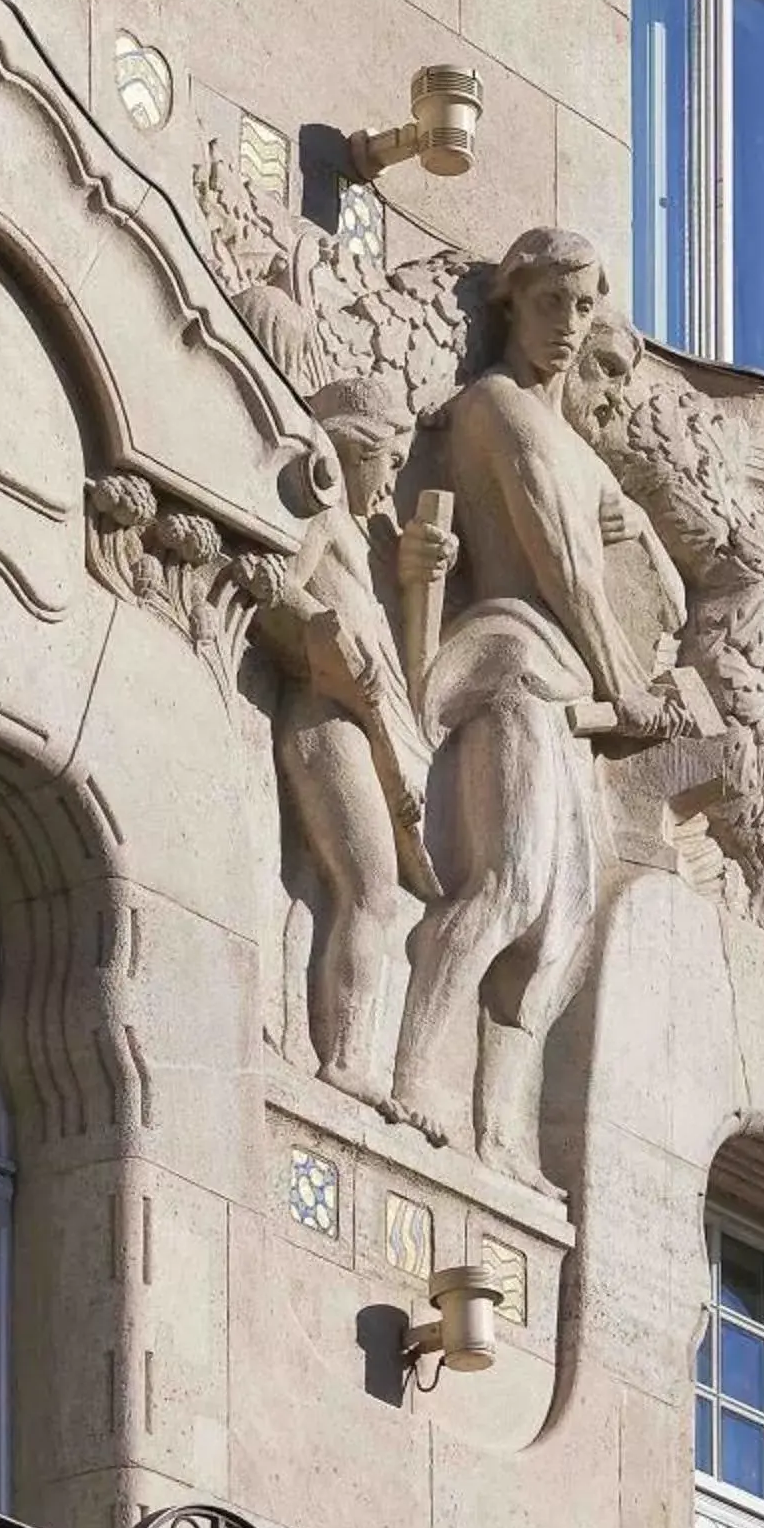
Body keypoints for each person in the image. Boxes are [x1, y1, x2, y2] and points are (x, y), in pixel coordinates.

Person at [383, 229, 693, 1186]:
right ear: (513, 303)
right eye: (551, 303)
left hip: (569, 701)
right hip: (516, 666)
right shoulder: (497, 409)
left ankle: (501, 1131)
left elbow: (664, 599)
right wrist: (628, 687)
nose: (567, 326)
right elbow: (562, 570)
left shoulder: (579, 449)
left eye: (583, 307)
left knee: (559, 928)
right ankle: (411, 1077)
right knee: (509, 885)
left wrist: (640, 531)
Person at [258, 378, 443, 1106]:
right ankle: (343, 1059)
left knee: (370, 895)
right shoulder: (324, 517)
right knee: (367, 889)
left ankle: (344, 1050)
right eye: (388, 463)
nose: (394, 480)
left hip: (364, 725)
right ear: (353, 451)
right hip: (326, 714)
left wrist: (418, 578)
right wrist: (323, 636)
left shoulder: (366, 542)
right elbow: (278, 589)